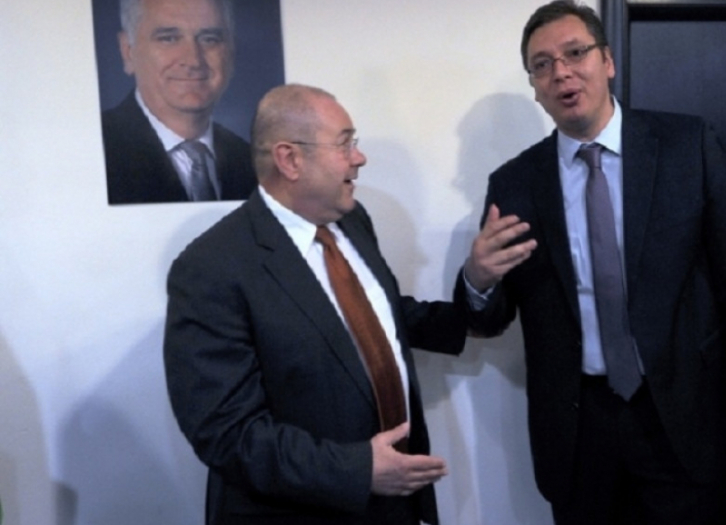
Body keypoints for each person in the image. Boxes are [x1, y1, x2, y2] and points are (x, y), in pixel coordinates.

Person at [457, 1, 726, 524]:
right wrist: (477, 279)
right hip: (578, 431)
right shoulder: (515, 184)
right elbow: (490, 318)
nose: (561, 72)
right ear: (535, 87)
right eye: (542, 65)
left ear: (607, 61)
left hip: (682, 419)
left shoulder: (687, 147)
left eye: (575, 53)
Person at [164, 84, 467, 525]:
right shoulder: (211, 268)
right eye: (344, 144)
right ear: (290, 159)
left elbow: (379, 318)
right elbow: (227, 434)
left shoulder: (353, 221)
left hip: (394, 506)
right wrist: (358, 471)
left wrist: (476, 284)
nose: (359, 158)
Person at [101, 0, 256, 205]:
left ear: (230, 51)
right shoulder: (97, 150)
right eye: (169, 39)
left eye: (209, 39)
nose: (193, 61)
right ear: (127, 51)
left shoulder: (253, 163)